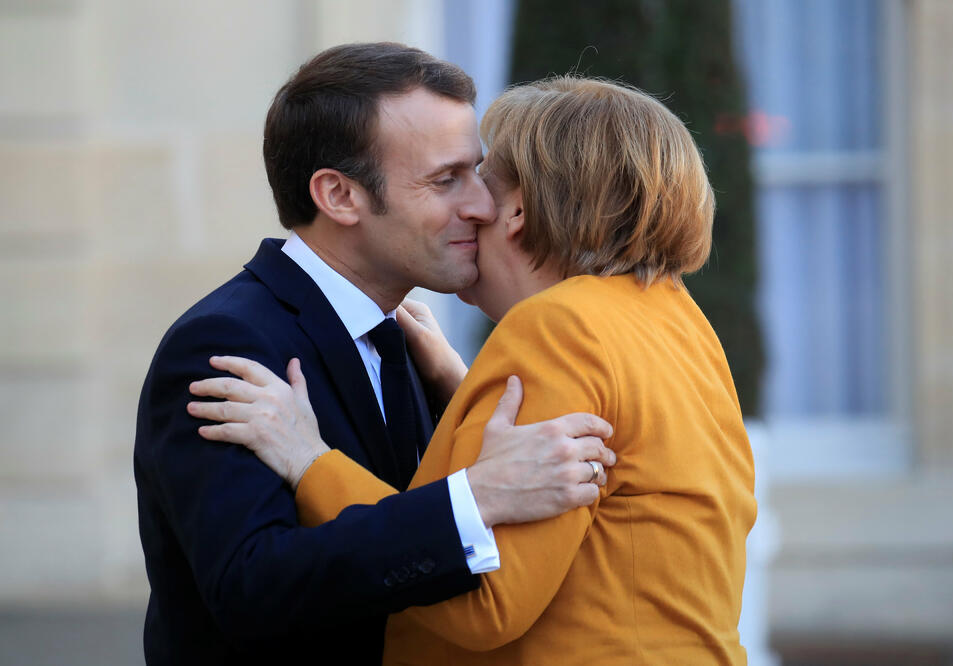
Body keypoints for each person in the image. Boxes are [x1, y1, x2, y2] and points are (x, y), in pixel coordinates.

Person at [190, 76, 758, 664]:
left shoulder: (557, 328)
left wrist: (308, 461)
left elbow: (482, 603)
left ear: (518, 208)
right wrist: (467, 394)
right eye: (447, 179)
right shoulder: (679, 317)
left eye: (480, 177)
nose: (471, 204)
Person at [134, 44, 616, 666]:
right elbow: (250, 590)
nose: (483, 205)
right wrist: (474, 498)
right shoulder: (227, 343)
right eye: (446, 180)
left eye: (478, 171)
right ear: (339, 196)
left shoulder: (407, 340)